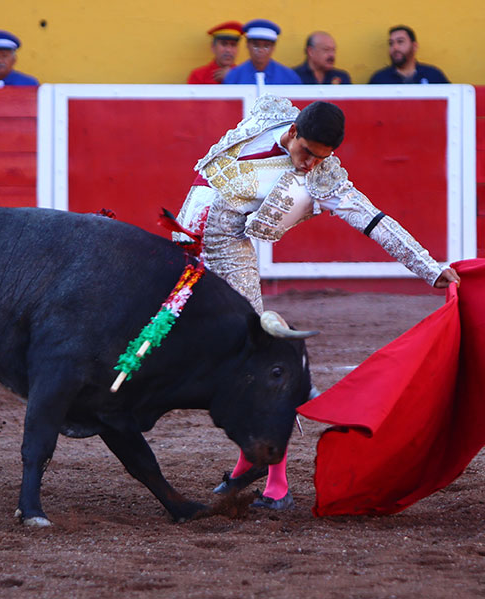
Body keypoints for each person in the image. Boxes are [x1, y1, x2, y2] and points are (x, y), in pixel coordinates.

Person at [173, 95, 460, 509]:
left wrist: (429, 268)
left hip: (226, 255)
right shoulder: (269, 114)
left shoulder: (322, 180)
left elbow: (373, 220)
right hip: (184, 245)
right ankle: (248, 465)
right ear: (293, 131)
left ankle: (275, 482)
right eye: (306, 152)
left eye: (320, 158)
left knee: (253, 363)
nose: (309, 164)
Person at [223, 19, 302, 85]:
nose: (260, 50)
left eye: (266, 46)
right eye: (256, 46)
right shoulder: (234, 76)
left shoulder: (288, 77)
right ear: (247, 45)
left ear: (273, 47)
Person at [368, 25, 449, 84]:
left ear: (414, 46)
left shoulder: (433, 75)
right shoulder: (379, 79)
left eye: (400, 41)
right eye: (391, 43)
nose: (395, 47)